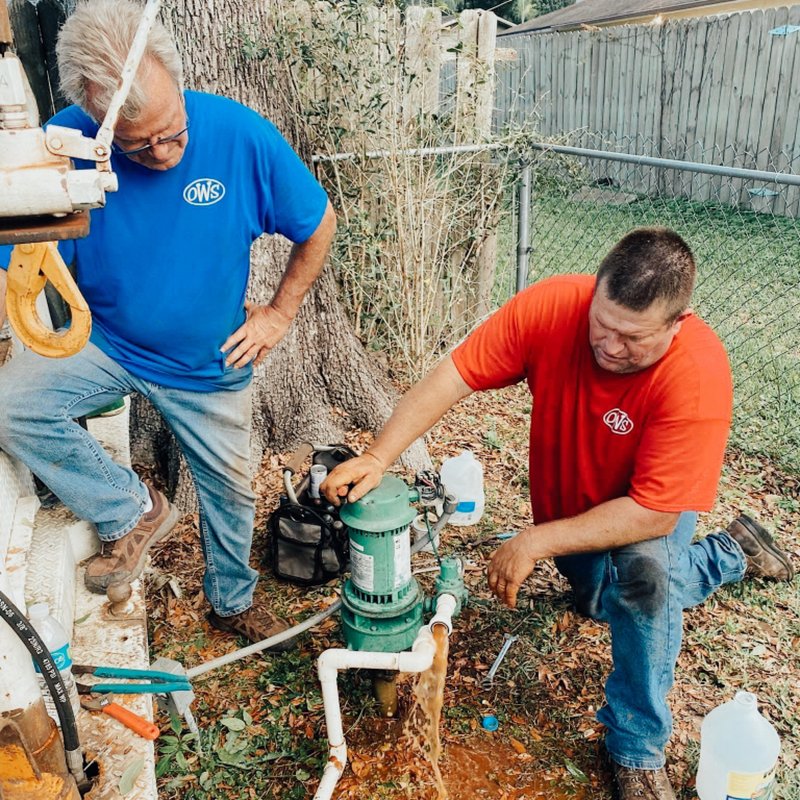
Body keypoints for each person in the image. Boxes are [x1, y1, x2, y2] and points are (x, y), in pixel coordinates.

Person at [321, 228, 794, 800]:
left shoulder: (697, 374)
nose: (612, 346)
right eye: (604, 324)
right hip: (573, 509)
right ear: (595, 292)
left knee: (645, 582)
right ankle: (733, 549)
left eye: (633, 337)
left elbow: (652, 514)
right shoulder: (552, 306)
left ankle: (636, 749)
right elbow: (456, 373)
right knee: (600, 602)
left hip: (640, 514)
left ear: (677, 322)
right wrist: (377, 455)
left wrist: (534, 542)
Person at [0, 0, 336, 646]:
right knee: (10, 403)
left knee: (233, 494)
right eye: (138, 145)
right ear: (98, 125)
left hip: (209, 363)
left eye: (173, 131)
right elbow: (16, 253)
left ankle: (231, 601)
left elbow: (317, 224)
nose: (162, 153)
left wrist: (279, 313)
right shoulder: (65, 144)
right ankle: (129, 508)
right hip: (107, 344)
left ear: (180, 85)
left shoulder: (240, 135)